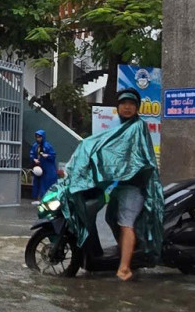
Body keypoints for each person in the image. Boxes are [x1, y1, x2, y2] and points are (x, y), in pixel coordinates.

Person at [57, 87, 162, 280]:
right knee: (111, 218)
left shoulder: (137, 127)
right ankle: (127, 256)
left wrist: (88, 146)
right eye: (124, 104)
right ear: (118, 107)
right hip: (121, 186)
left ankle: (124, 268)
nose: (127, 107)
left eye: (131, 104)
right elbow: (107, 150)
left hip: (135, 186)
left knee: (125, 223)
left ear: (137, 108)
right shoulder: (120, 128)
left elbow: (119, 152)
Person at [28, 128, 59, 200]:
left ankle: (46, 199)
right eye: (37, 137)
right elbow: (31, 154)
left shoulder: (47, 146)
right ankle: (37, 197)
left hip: (48, 168)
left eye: (40, 137)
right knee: (37, 182)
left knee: (47, 183)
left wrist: (47, 155)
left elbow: (53, 155)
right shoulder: (35, 146)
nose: (38, 139)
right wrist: (34, 159)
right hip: (39, 167)